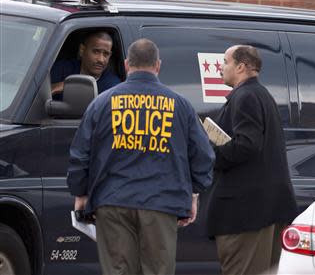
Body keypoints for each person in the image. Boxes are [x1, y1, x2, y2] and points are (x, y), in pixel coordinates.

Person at [67, 39, 215, 275]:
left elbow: (80, 153)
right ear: (158, 66)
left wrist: (81, 193)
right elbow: (203, 156)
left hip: (112, 201)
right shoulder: (181, 106)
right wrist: (193, 192)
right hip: (161, 204)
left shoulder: (102, 103)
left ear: (126, 65)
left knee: (118, 270)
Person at [206, 45, 298, 275]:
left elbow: (247, 145)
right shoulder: (261, 94)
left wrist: (210, 153)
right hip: (265, 209)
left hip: (246, 214)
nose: (221, 68)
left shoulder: (246, 96)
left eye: (225, 62)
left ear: (241, 67)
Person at [51, 31, 121, 98]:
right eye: (96, 52)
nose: (101, 60)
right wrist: (61, 86)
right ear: (82, 50)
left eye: (106, 54)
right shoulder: (62, 69)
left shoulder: (113, 87)